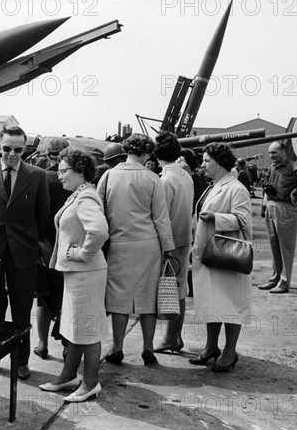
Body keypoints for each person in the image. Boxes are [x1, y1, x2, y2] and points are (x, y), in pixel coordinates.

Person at [0, 125, 50, 380]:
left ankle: (21, 361)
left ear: (25, 149)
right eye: (7, 148)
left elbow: (43, 214)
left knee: (21, 310)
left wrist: (27, 239)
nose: (12, 154)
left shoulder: (37, 176)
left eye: (18, 149)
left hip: (23, 251)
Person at [97, 134, 174, 366]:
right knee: (148, 298)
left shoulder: (109, 176)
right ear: (147, 153)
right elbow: (161, 217)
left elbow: (99, 210)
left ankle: (117, 347)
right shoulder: (153, 179)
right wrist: (168, 247)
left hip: (119, 244)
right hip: (148, 245)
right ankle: (148, 348)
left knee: (119, 298)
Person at [39, 148, 109, 402]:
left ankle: (91, 383)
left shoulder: (86, 197)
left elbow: (99, 231)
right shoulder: (79, 194)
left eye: (64, 171)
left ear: (80, 171)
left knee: (88, 329)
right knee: (74, 326)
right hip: (78, 273)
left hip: (86, 272)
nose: (59, 176)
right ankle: (68, 375)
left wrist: (82, 253)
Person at [190, 143, 252, 373]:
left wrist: (216, 217)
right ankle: (211, 347)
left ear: (220, 162)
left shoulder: (236, 188)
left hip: (225, 255)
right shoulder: (214, 185)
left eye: (207, 161)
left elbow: (244, 221)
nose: (203, 164)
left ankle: (229, 351)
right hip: (209, 253)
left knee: (230, 304)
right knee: (212, 301)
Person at [152, 131, 193, 354]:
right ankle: (174, 337)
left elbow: (161, 215)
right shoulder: (185, 175)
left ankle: (170, 338)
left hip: (170, 242)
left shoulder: (166, 180)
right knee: (180, 289)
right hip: (184, 237)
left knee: (170, 290)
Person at [259, 142, 297, 294]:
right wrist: (264, 206)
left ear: (283, 151)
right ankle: (274, 278)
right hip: (272, 206)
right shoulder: (273, 166)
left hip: (285, 208)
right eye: (270, 153)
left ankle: (284, 282)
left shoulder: (293, 166)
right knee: (274, 246)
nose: (271, 156)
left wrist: (295, 193)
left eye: (274, 153)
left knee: (286, 248)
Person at [34, 137, 72, 361]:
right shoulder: (76, 181)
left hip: (44, 248)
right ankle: (68, 346)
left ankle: (42, 344)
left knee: (43, 299)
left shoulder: (40, 179)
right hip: (69, 250)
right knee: (68, 299)